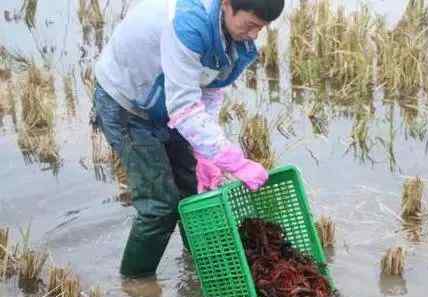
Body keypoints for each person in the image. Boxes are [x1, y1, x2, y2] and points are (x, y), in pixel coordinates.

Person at [91, 0, 285, 278]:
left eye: (262, 28)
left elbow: (210, 91)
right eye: (251, 25)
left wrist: (205, 154)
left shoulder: (233, 38)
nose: (255, 34)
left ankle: (202, 269)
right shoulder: (188, 24)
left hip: (169, 98)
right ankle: (137, 285)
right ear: (228, 5)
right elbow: (183, 108)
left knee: (194, 189)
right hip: (127, 103)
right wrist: (233, 161)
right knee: (160, 206)